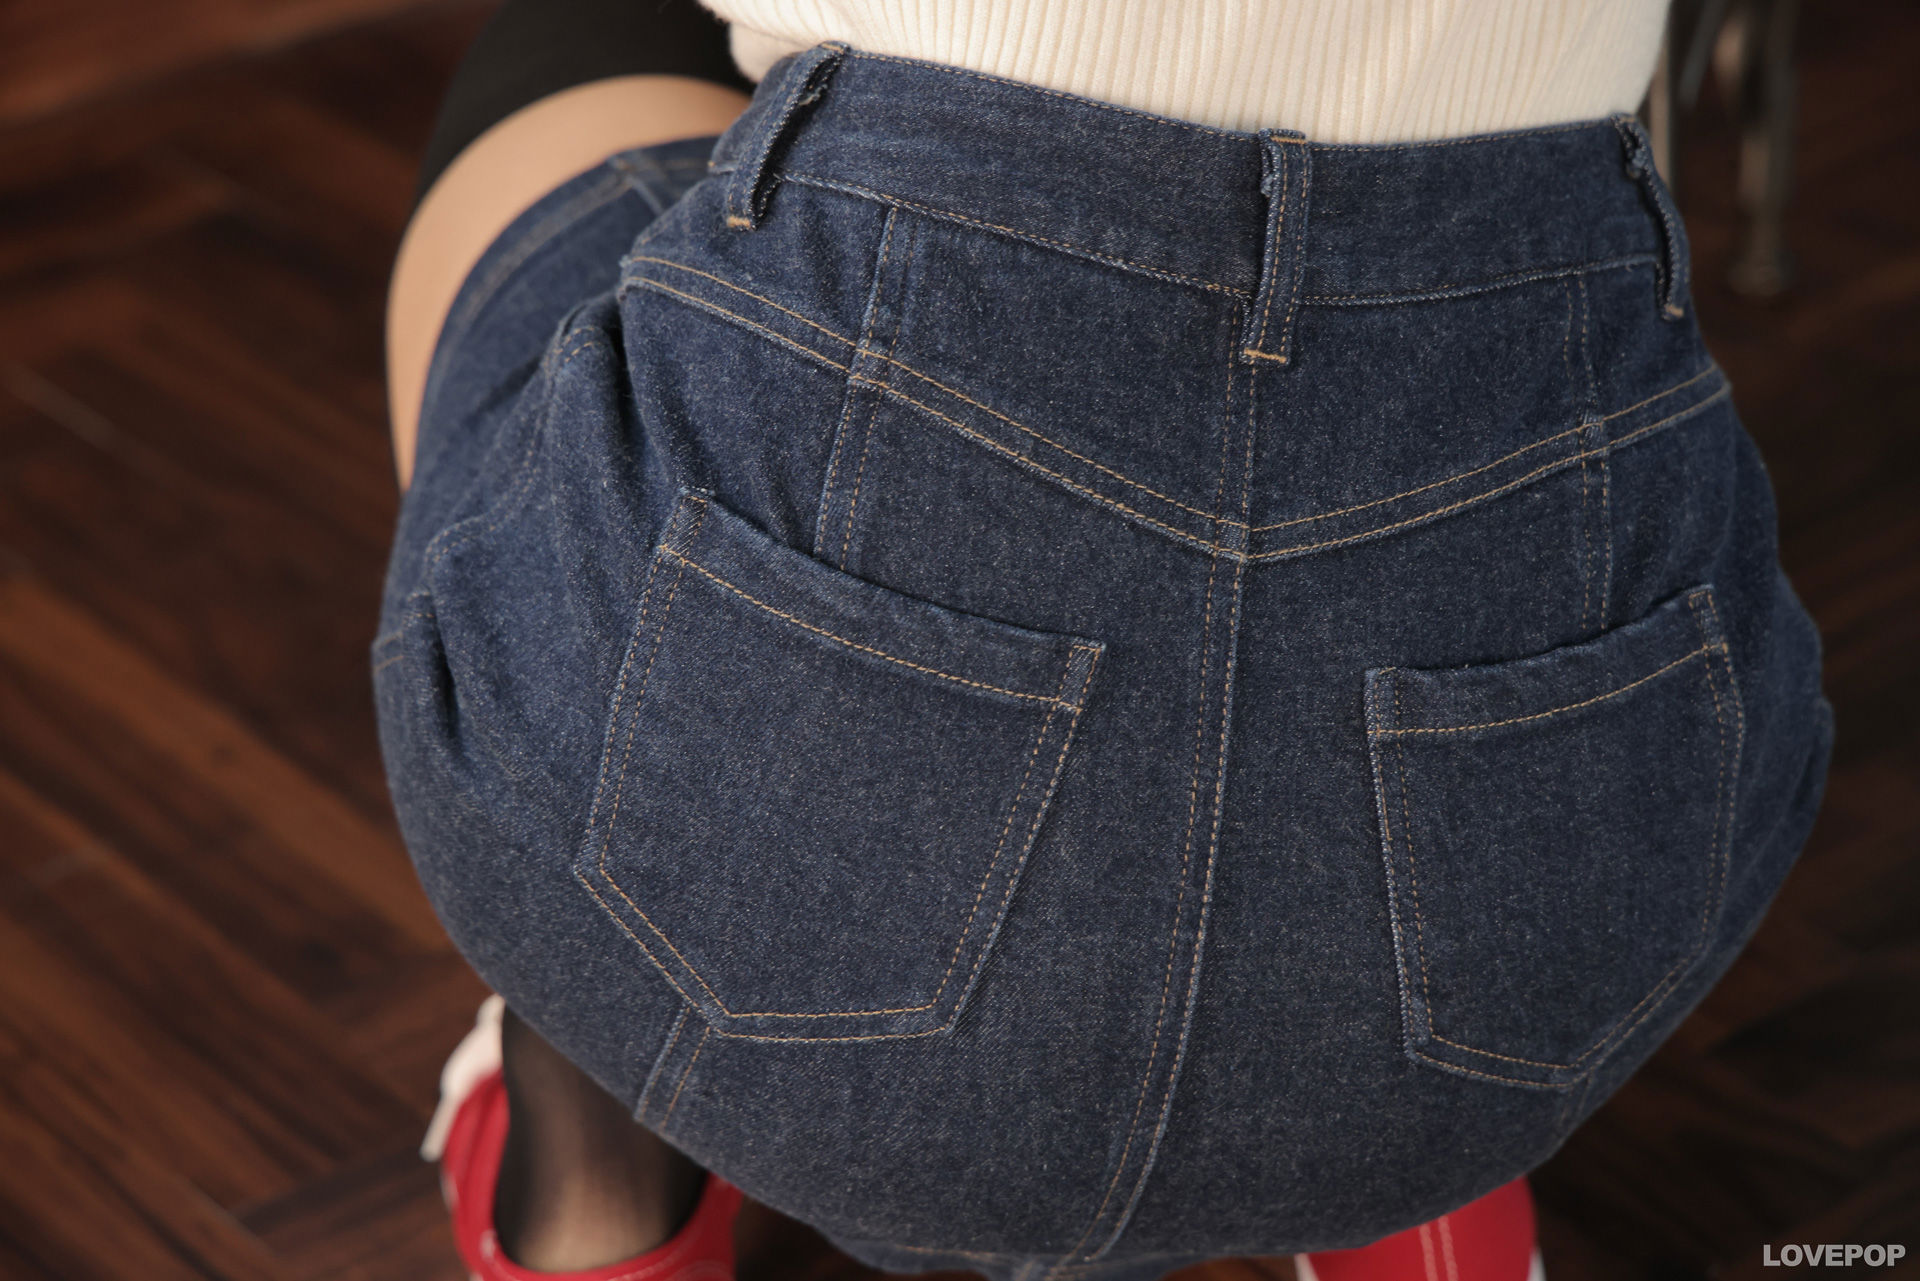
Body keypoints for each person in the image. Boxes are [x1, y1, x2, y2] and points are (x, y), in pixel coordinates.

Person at [376, 3, 1835, 1279]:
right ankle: (1430, 1208)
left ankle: (594, 1220)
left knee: (588, 107)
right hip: (1538, 995)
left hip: (750, 936)